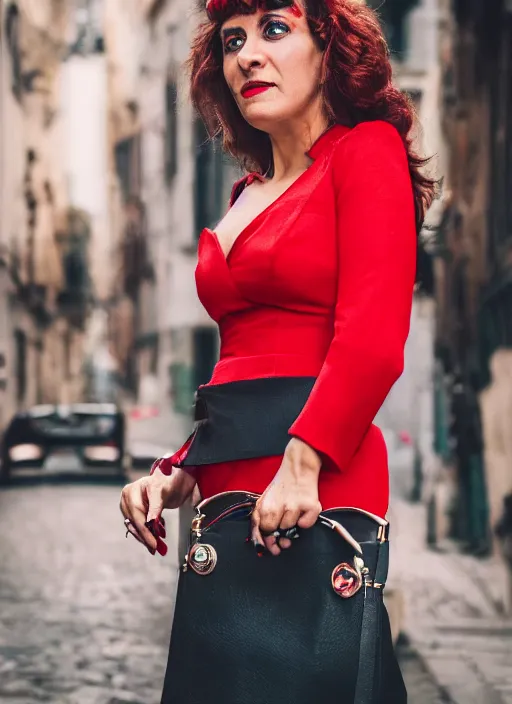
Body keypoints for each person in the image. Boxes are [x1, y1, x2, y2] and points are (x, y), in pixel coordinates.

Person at [120, 0, 436, 699]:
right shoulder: (245, 194)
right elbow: (239, 365)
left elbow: (375, 337)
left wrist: (303, 464)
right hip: (228, 486)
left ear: (329, 47)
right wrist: (175, 469)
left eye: (274, 29)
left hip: (315, 472)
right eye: (233, 40)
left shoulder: (365, 150)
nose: (247, 55)